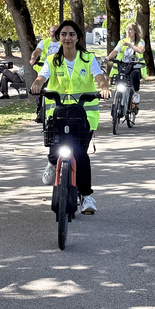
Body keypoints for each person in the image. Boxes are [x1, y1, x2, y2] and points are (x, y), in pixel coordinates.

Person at [30, 20, 110, 214]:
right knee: (55, 147)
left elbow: (99, 77)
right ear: (59, 38)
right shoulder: (52, 60)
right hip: (58, 114)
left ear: (78, 37)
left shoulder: (88, 58)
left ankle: (86, 196)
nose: (67, 38)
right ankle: (51, 162)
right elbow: (42, 76)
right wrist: (37, 84)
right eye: (64, 34)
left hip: (84, 115)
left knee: (80, 154)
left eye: (72, 34)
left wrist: (104, 87)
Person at [106, 23, 146, 105]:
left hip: (135, 64)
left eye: (130, 29)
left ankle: (136, 93)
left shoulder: (140, 42)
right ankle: (118, 98)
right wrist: (108, 57)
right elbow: (115, 51)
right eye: (127, 29)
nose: (128, 31)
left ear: (135, 31)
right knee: (120, 78)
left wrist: (130, 45)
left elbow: (141, 50)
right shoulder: (122, 42)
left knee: (135, 74)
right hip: (124, 64)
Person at [29, 25, 60, 122]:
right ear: (49, 33)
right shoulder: (44, 42)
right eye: (52, 31)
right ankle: (40, 113)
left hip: (58, 71)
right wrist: (33, 58)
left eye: (56, 31)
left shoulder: (63, 43)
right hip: (45, 70)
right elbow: (37, 51)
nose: (54, 33)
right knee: (40, 92)